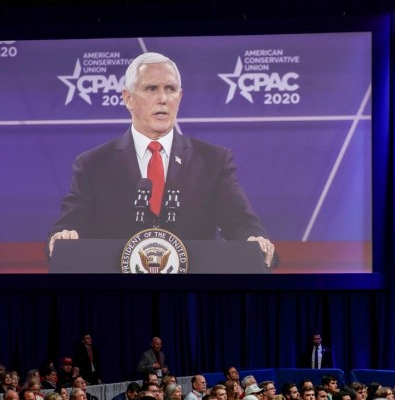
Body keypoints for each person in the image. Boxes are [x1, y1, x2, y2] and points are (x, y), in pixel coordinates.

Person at [48, 52, 274, 265]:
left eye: (170, 89)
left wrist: (253, 239)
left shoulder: (213, 161)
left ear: (180, 96)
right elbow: (73, 221)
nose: (163, 98)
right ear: (128, 98)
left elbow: (238, 219)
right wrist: (66, 235)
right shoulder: (93, 164)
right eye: (151, 89)